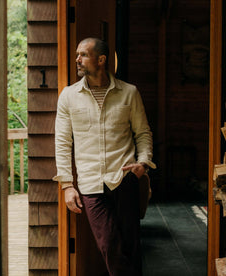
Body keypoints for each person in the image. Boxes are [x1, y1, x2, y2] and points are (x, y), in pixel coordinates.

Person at [53, 37, 156, 276]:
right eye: (77, 54)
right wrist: (67, 185)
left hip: (125, 178)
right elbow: (62, 142)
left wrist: (143, 162)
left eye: (83, 55)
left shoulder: (129, 93)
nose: (77, 59)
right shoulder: (68, 96)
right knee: (109, 245)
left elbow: (143, 133)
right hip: (90, 183)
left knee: (131, 246)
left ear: (101, 60)